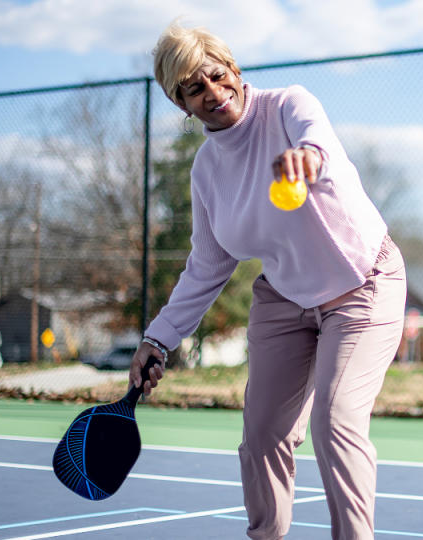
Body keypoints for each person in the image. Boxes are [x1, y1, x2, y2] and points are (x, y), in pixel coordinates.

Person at [130, 22, 406, 540]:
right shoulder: (207, 170)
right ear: (181, 103)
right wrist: (157, 338)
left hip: (363, 284)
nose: (213, 92)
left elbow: (316, 140)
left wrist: (309, 158)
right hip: (284, 297)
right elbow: (208, 265)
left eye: (217, 75)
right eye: (194, 88)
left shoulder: (288, 106)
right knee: (261, 435)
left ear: (233, 70)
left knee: (335, 423)